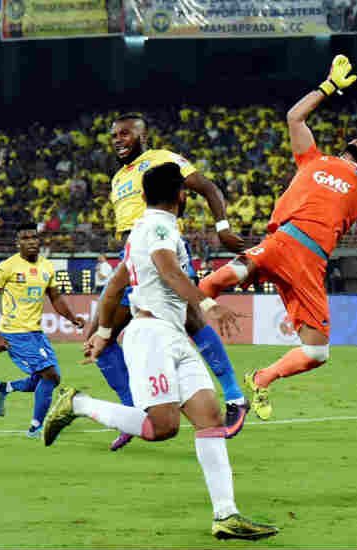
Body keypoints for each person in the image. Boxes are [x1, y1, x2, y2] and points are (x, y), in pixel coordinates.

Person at [43, 164, 278, 541]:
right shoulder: (160, 226)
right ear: (180, 194)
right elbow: (169, 271)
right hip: (151, 335)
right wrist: (206, 303)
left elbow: (120, 280)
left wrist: (103, 330)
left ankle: (226, 515)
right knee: (163, 427)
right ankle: (79, 404)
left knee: (210, 416)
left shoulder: (144, 229)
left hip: (171, 334)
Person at [199, 55, 357, 420]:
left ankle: (261, 378)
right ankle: (199, 345)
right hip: (280, 243)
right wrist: (329, 86)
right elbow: (294, 116)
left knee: (318, 353)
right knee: (211, 284)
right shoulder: (313, 158)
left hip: (311, 262)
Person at [86, 113, 249, 450]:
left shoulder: (162, 160)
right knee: (99, 336)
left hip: (161, 245)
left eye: (126, 134)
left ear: (143, 135)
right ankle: (133, 411)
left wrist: (222, 229)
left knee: (189, 318)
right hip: (134, 253)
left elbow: (205, 187)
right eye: (114, 135)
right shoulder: (118, 178)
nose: (118, 139)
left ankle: (234, 396)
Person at [0, 222, 86, 438]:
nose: (30, 242)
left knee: (46, 378)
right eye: (25, 238)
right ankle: (35, 428)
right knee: (50, 376)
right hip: (15, 333)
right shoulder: (7, 267)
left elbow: (55, 297)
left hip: (36, 333)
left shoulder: (47, 267)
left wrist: (71, 317)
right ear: (17, 243)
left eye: (34, 238)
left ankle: (3, 388)